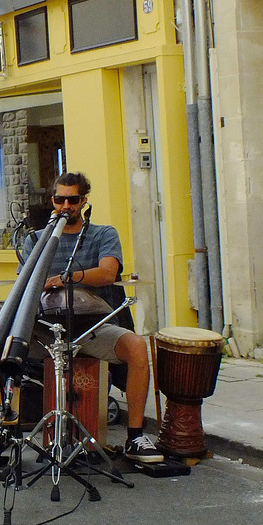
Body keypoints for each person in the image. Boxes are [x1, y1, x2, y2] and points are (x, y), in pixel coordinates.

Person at [19, 171, 163, 463]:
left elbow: (109, 272)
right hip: (48, 329)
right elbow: (24, 284)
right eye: (60, 199)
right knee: (2, 344)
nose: (66, 206)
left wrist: (66, 278)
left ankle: (135, 436)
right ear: (53, 201)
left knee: (137, 347)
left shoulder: (103, 234)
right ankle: (7, 428)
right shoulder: (35, 239)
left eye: (73, 200)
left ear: (84, 201)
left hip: (93, 327)